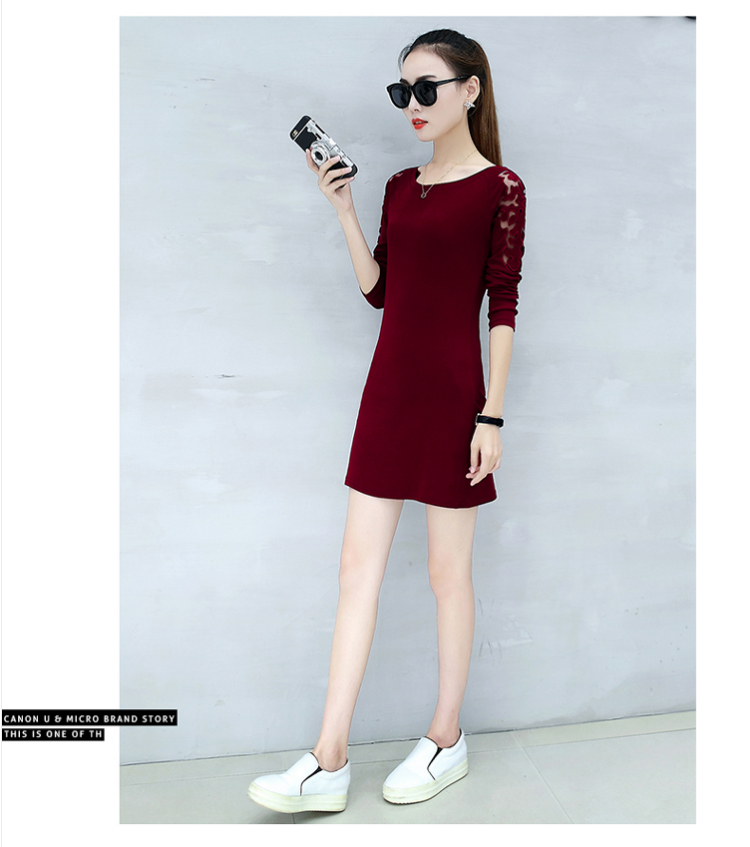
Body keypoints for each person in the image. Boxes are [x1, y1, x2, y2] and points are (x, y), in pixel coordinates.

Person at [248, 28, 526, 814]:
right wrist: (342, 208)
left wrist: (492, 414)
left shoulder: (501, 187)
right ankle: (329, 755)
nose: (412, 104)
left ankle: (445, 735)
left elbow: (503, 304)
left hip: (456, 401)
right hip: (388, 397)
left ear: (471, 89)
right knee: (354, 572)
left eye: (425, 88)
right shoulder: (402, 186)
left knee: (446, 574)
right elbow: (381, 291)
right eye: (402, 91)